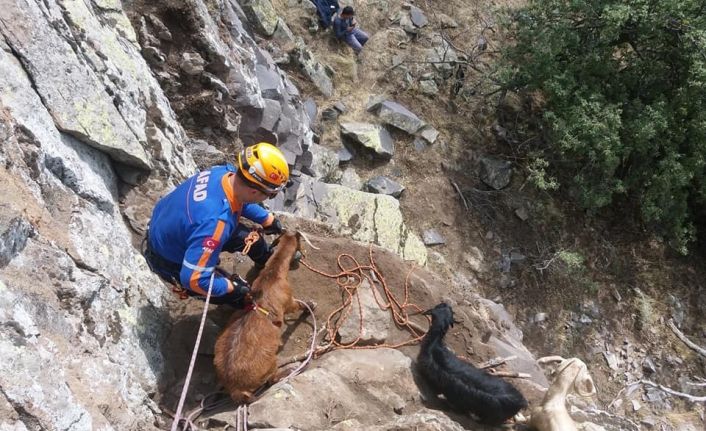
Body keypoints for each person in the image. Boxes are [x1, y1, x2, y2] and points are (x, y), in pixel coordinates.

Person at [144, 142, 289, 307]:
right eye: (270, 195)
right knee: (240, 295)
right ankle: (239, 300)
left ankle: (267, 260)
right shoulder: (215, 224)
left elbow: (242, 198)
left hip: (173, 226)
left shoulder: (223, 173)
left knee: (252, 241)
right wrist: (230, 286)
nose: (268, 198)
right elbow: (194, 280)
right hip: (170, 258)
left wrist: (267, 219)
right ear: (255, 191)